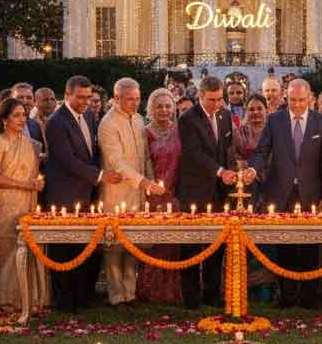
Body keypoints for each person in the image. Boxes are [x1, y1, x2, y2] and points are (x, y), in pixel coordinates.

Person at [248, 79, 322, 308]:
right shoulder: (274, 120)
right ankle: (287, 297)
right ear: (286, 98)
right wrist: (253, 169)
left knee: (310, 247)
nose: (296, 105)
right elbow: (262, 151)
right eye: (292, 100)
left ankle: (309, 298)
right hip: (281, 192)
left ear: (310, 99)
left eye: (301, 101)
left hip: (310, 194)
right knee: (284, 246)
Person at [45, 76, 120, 312]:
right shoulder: (56, 122)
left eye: (88, 97)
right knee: (64, 249)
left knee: (83, 248)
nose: (86, 102)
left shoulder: (88, 115)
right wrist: (99, 176)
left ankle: (81, 297)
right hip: (63, 195)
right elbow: (67, 160)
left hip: (86, 194)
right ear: (67, 95)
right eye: (80, 97)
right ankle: (65, 302)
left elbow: (90, 153)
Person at [177, 75, 242, 308]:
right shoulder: (187, 119)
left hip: (219, 192)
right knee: (192, 246)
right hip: (194, 191)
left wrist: (231, 172)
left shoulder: (225, 116)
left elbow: (226, 149)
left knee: (217, 247)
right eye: (212, 99)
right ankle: (192, 298)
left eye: (220, 99)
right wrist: (220, 171)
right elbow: (194, 154)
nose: (217, 104)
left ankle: (212, 295)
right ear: (200, 96)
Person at [98, 78, 163, 307]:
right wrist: (144, 182)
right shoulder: (107, 124)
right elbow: (116, 162)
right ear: (116, 98)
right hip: (116, 192)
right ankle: (116, 295)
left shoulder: (138, 120)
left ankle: (131, 292)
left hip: (138, 192)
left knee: (133, 244)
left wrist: (151, 179)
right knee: (114, 246)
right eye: (130, 99)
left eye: (137, 98)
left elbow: (144, 155)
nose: (135, 103)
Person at [0, 98, 48, 311]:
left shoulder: (29, 144)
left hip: (25, 203)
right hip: (1, 205)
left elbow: (33, 173)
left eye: (24, 115)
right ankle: (6, 299)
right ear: (4, 120)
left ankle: (28, 298)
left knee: (25, 247)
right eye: (16, 115)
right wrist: (25, 184)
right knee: (4, 251)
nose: (22, 119)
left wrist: (37, 183)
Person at [138, 88, 184, 304]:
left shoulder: (179, 130)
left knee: (174, 245)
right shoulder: (145, 132)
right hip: (153, 195)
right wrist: (150, 190)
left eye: (168, 106)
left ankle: (173, 291)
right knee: (154, 245)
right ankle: (151, 291)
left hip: (176, 194)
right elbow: (142, 163)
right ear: (150, 109)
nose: (164, 110)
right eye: (159, 106)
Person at [231, 93, 277, 302]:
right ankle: (244, 287)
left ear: (267, 110)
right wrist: (244, 168)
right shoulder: (240, 133)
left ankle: (266, 288)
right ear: (245, 112)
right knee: (246, 239)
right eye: (251, 109)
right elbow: (234, 157)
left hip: (271, 191)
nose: (256, 113)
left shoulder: (275, 132)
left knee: (268, 239)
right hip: (247, 193)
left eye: (260, 108)